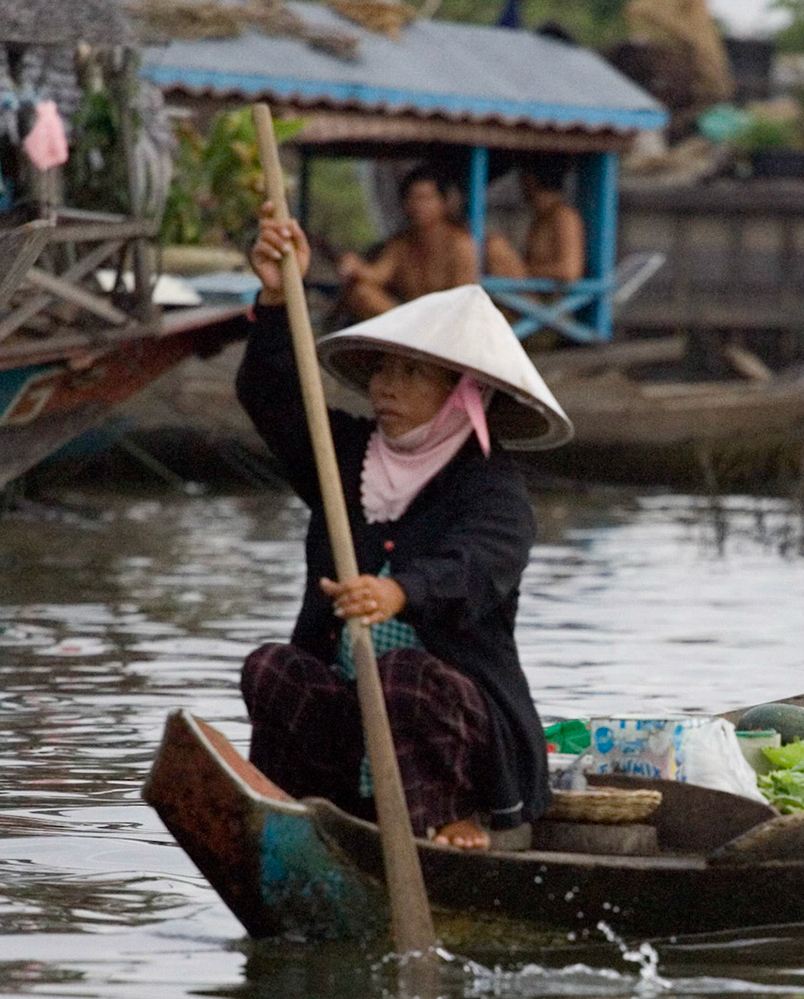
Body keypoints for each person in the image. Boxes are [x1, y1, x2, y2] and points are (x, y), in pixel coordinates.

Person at [238, 205, 575, 850]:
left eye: (410, 372)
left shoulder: (492, 488)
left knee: (406, 675)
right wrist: (280, 298)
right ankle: (303, 810)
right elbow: (274, 399)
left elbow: (477, 566)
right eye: (383, 369)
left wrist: (400, 592)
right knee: (273, 668)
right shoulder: (347, 457)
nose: (385, 386)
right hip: (348, 716)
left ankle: (453, 816)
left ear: (460, 392)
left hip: (455, 720)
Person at [337, 165, 480, 320]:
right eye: (412, 198)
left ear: (443, 203)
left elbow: (465, 297)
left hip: (446, 321)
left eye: (426, 198)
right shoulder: (399, 244)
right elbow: (378, 274)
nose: (418, 206)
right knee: (362, 293)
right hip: (406, 320)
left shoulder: (460, 245)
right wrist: (355, 266)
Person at [485, 155, 587, 284]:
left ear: (530, 180)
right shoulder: (541, 216)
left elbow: (570, 270)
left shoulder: (564, 217)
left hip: (549, 298)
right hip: (528, 289)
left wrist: (524, 271)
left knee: (495, 246)